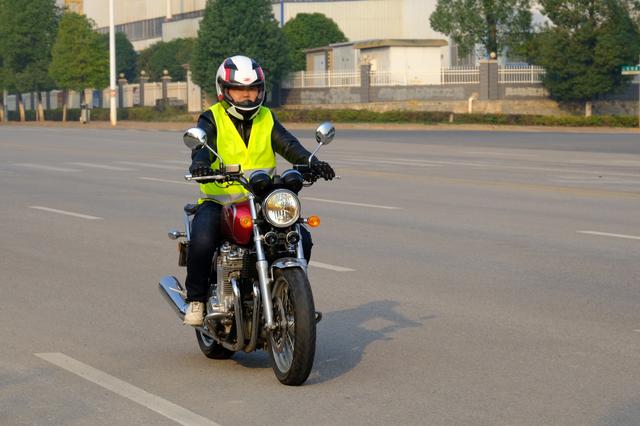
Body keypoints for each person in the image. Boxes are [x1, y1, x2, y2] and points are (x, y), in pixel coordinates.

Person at [183, 55, 335, 326]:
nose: (246, 96)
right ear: (224, 91)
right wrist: (200, 165)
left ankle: (292, 297)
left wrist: (313, 162)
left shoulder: (266, 118)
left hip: (264, 198)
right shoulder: (212, 118)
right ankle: (196, 300)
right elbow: (200, 150)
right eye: (239, 90)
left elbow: (290, 145)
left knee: (301, 238)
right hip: (220, 200)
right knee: (202, 241)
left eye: (252, 89)